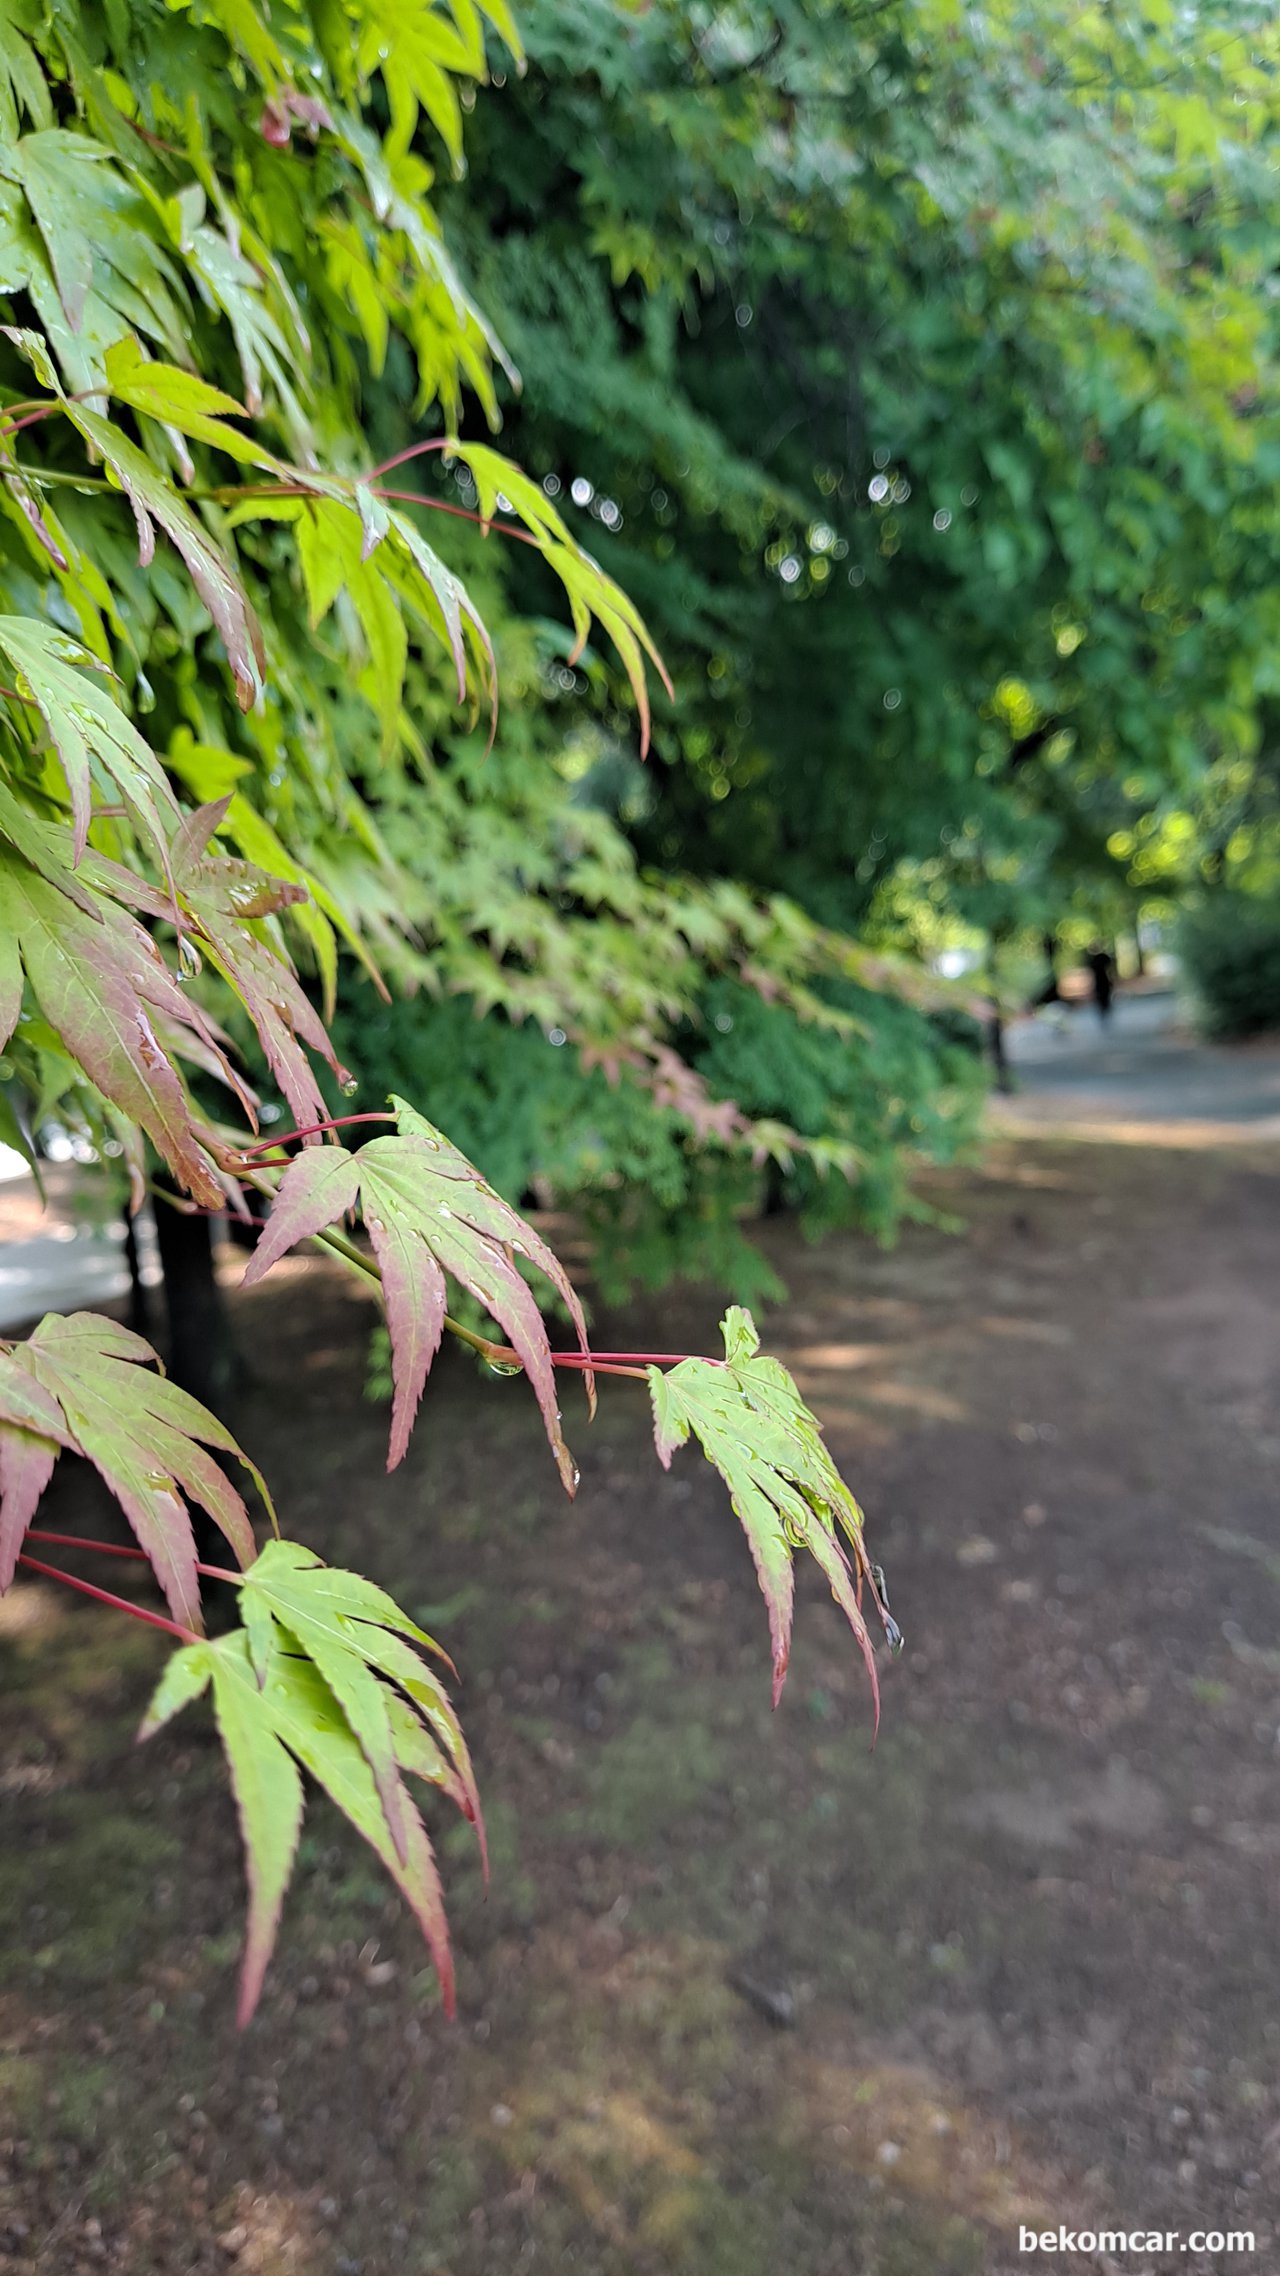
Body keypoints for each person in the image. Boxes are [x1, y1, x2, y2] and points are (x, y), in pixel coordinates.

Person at [1084, 943, 1116, 1025]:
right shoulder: (1095, 959)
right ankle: (1103, 1013)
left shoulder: (1097, 958)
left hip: (1102, 981)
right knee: (1102, 999)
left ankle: (1104, 1012)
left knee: (1104, 998)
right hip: (1100, 982)